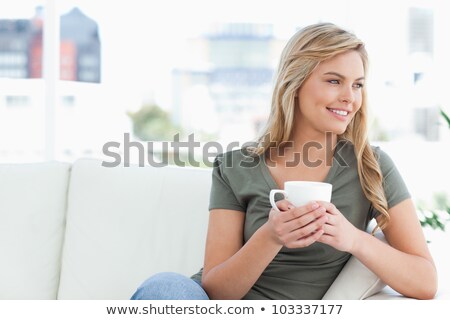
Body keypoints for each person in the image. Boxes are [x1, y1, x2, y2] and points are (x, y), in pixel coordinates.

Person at [131, 22, 437, 300]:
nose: (350, 97)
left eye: (357, 84)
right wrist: (271, 236)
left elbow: (425, 281)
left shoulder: (371, 166)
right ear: (296, 83)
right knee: (164, 287)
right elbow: (216, 294)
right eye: (334, 81)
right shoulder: (235, 166)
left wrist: (353, 239)